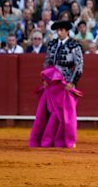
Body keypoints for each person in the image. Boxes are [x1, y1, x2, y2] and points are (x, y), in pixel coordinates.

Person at [29, 20, 84, 148]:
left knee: (65, 114)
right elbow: (47, 62)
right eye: (57, 30)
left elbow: (79, 65)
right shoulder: (52, 44)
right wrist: (44, 79)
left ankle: (66, 140)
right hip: (52, 82)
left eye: (61, 30)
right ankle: (49, 140)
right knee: (50, 111)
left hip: (65, 82)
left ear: (67, 31)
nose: (59, 33)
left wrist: (72, 82)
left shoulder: (74, 45)